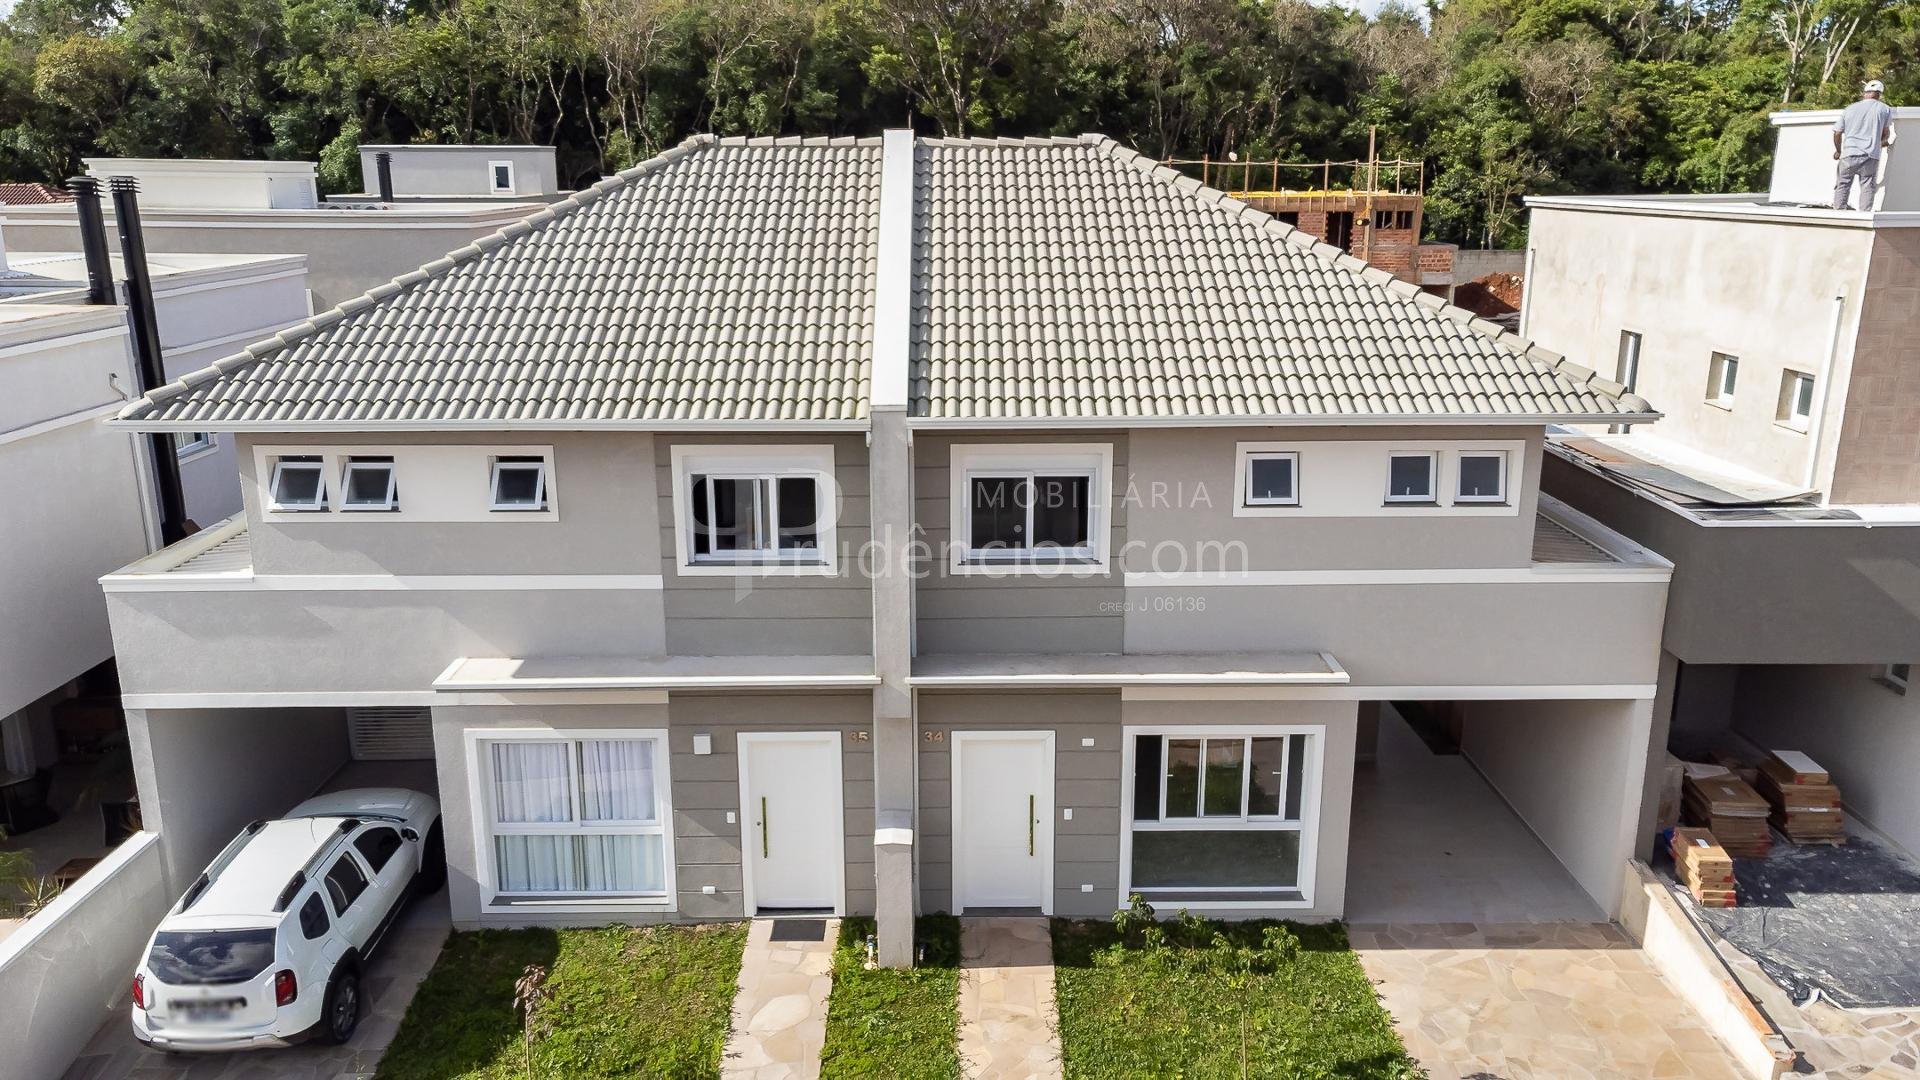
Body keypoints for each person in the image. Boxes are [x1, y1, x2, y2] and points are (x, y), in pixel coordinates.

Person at [1833, 80, 1895, 211]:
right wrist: (1882, 142)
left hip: (1848, 154)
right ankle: (1864, 216)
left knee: (1842, 185)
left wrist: (1838, 151)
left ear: (1865, 93)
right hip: (1870, 155)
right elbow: (1885, 133)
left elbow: (1837, 133)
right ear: (1879, 94)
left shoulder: (1850, 108)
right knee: (1867, 186)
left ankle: (1838, 214)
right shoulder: (1884, 109)